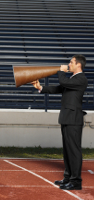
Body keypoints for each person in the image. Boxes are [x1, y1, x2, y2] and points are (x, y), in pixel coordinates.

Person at [32, 54, 88, 190]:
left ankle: (76, 181)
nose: (69, 64)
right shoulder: (72, 79)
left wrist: (60, 71)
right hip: (67, 118)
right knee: (67, 150)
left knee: (74, 151)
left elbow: (63, 83)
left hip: (74, 119)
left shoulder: (81, 78)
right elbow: (59, 88)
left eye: (71, 62)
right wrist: (40, 88)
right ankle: (68, 177)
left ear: (78, 65)